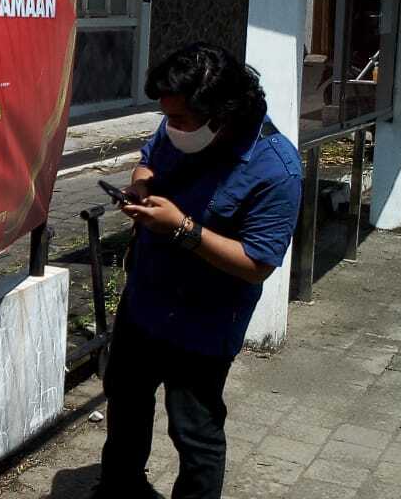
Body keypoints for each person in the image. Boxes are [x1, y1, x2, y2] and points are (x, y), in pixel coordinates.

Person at [96, 43, 302, 499]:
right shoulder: (180, 124)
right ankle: (119, 489)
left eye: (181, 119)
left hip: (204, 323)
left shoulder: (277, 171)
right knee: (126, 401)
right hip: (145, 303)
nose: (171, 127)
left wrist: (183, 229)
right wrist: (141, 187)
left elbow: (257, 265)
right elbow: (148, 159)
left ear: (223, 115)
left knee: (194, 431)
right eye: (166, 116)